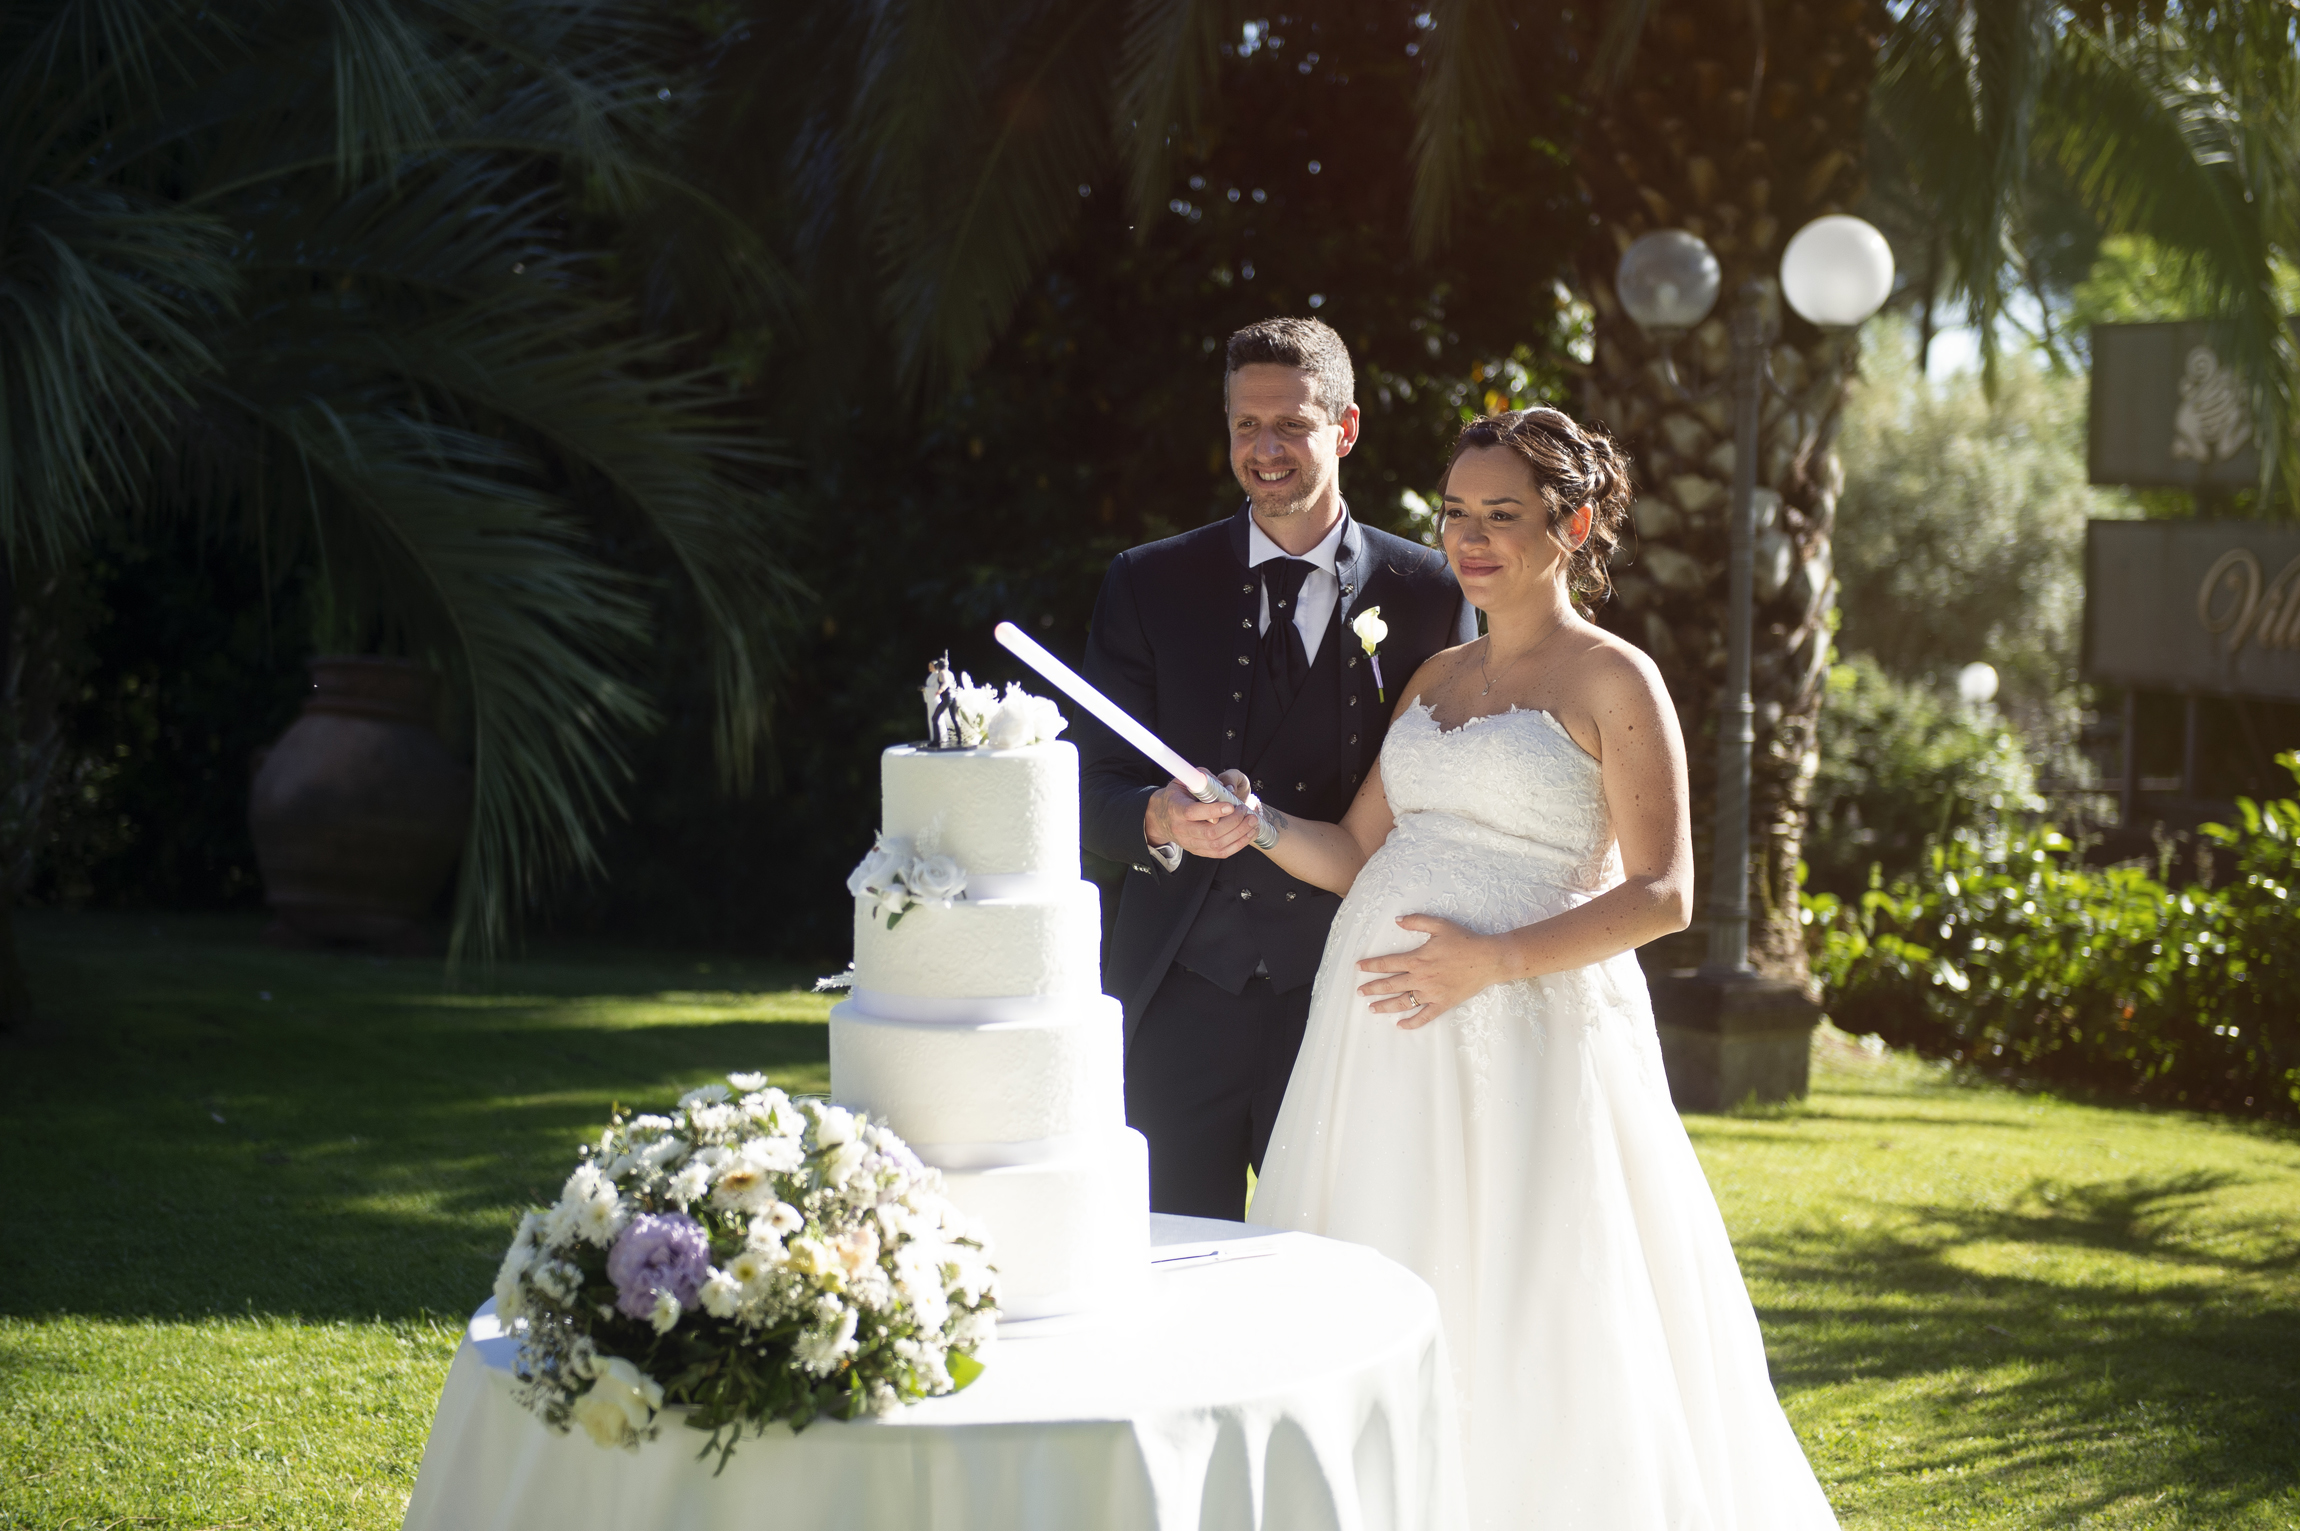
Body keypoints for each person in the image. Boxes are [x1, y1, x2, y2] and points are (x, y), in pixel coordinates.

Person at [1241, 407, 1840, 1528]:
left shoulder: (1615, 678)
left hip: (1523, 1035)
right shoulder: (1431, 676)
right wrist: (1256, 821)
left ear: (1571, 525)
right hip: (1373, 1043)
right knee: (1375, 1253)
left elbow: (1664, 892)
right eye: (1455, 513)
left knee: (1530, 1288)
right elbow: (1356, 850)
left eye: (1501, 515)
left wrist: (1491, 962)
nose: (1469, 539)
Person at [1073, 316, 1477, 1221]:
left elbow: (1446, 798)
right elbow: (1087, 788)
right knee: (1168, 1262)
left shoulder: (1431, 592)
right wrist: (1160, 819)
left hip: (1352, 997)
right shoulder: (1148, 582)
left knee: (1337, 1262)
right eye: (1245, 425)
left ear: (1346, 427)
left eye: (1291, 425)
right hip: (1178, 1001)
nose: (1265, 450)